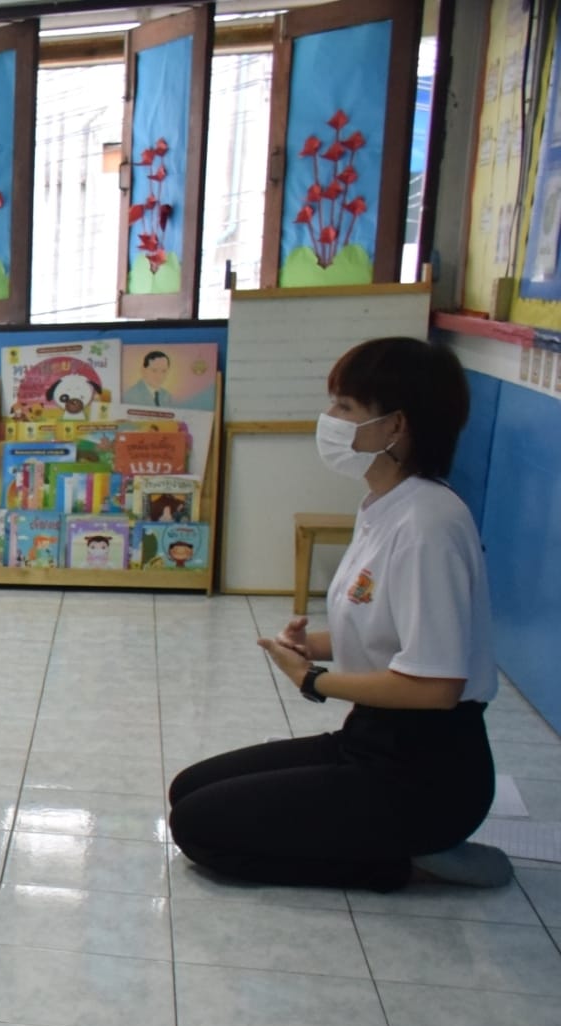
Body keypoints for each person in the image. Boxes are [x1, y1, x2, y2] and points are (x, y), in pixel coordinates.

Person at [169, 338, 506, 893]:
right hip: (369, 739)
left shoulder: (429, 525)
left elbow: (437, 687)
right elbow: (388, 627)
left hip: (425, 775)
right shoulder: (386, 505)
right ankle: (384, 841)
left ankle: (406, 859)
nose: (329, 419)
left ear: (396, 425)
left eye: (345, 407)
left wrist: (313, 680)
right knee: (189, 789)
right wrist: (312, 645)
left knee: (198, 828)